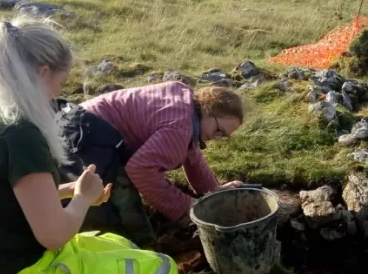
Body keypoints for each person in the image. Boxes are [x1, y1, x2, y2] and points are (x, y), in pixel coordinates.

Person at [0, 16, 180, 274]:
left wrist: (70, 190)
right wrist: (83, 198)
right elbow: (54, 235)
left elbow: (11, 196)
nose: (60, 91)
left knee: (120, 244)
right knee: (163, 272)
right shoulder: (19, 133)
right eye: (61, 81)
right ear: (42, 72)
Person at [79, 82, 244, 234]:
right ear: (209, 109)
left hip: (80, 118)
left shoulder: (185, 100)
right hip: (87, 138)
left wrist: (213, 191)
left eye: (223, 136)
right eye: (218, 130)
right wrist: (185, 205)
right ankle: (140, 247)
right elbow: (141, 170)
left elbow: (191, 153)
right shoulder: (180, 128)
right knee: (124, 215)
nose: (217, 137)